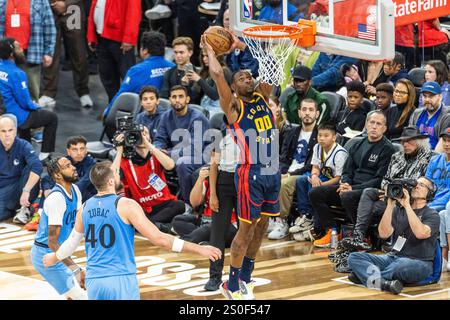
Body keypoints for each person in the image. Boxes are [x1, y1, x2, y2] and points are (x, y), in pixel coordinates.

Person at [42, 161, 222, 300]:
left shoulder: (85, 207)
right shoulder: (126, 205)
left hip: (94, 280)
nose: (120, 176)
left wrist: (54, 257)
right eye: (117, 174)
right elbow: (160, 239)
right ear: (111, 181)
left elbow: (72, 243)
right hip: (120, 279)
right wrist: (200, 249)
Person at [205, 33, 281, 300]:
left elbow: (273, 68)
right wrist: (210, 50)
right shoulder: (233, 106)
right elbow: (217, 75)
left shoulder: (262, 96)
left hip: (272, 171)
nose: (248, 79)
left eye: (250, 76)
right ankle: (232, 284)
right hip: (251, 173)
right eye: (242, 78)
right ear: (234, 86)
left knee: (262, 227)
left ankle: (246, 277)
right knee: (246, 228)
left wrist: (263, 43)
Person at [338, 126, 434, 261]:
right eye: (403, 141)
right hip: (390, 195)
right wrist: (389, 190)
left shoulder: (429, 158)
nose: (405, 144)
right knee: (367, 192)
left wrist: (395, 189)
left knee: (371, 208)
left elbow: (420, 184)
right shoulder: (396, 156)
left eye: (409, 141)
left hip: (408, 199)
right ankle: (358, 235)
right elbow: (385, 179)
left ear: (419, 141)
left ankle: (368, 236)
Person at [309, 110, 396, 247]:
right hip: (349, 188)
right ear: (366, 125)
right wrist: (345, 183)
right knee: (316, 193)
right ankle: (332, 231)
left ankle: (361, 234)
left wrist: (351, 188)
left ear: (384, 128)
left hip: (368, 191)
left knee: (347, 196)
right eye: (371, 122)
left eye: (378, 124)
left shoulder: (388, 149)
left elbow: (380, 179)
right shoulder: (357, 144)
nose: (374, 126)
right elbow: (347, 170)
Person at [347, 176, 439, 295]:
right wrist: (390, 205)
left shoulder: (432, 214)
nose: (416, 185)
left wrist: (407, 206)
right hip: (393, 257)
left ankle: (366, 277)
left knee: (401, 266)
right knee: (354, 257)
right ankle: (383, 283)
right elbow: (383, 234)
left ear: (429, 193)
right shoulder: (397, 209)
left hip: (419, 262)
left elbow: (421, 233)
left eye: (422, 185)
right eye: (416, 183)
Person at [31, 157, 87, 300]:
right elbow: (52, 242)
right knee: (79, 296)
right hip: (46, 254)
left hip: (61, 251)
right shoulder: (57, 199)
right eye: (67, 166)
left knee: (72, 294)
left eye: (71, 164)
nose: (73, 167)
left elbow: (79, 222)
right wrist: (75, 268)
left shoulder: (75, 189)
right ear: (57, 175)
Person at [112, 126, 185, 233]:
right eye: (138, 134)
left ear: (150, 137)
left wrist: (148, 145)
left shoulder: (156, 154)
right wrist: (119, 151)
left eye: (145, 133)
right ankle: (158, 226)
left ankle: (146, 225)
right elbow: (112, 180)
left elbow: (170, 166)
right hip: (142, 208)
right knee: (132, 213)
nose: (142, 136)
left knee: (180, 205)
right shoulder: (126, 161)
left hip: (164, 204)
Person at [0, 38, 58, 161]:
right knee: (51, 117)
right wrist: (36, 105)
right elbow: (25, 103)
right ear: (12, 54)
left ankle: (25, 153)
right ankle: (45, 153)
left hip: (3, 112)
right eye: (19, 48)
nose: (22, 50)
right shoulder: (17, 73)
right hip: (16, 116)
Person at [290, 122, 348, 241]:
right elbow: (315, 166)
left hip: (333, 182)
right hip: (321, 177)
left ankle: (317, 225)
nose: (321, 138)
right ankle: (306, 215)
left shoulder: (340, 153)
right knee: (301, 180)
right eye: (320, 135)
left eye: (326, 136)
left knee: (315, 189)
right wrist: (315, 176)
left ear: (334, 137)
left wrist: (321, 184)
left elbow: (338, 178)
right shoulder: (317, 147)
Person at [153, 85, 210, 204]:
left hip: (202, 155)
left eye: (180, 96)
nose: (177, 100)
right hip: (177, 153)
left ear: (187, 99)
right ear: (169, 99)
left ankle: (188, 203)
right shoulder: (166, 116)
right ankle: (157, 198)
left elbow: (196, 149)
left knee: (182, 163)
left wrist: (168, 153)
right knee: (151, 156)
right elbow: (159, 138)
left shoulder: (197, 118)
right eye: (174, 97)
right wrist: (158, 150)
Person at [272, 99, 319, 240]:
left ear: (317, 114)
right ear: (299, 113)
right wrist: (280, 172)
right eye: (304, 109)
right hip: (288, 171)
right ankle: (269, 218)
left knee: (284, 184)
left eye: (311, 110)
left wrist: (289, 174)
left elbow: (312, 164)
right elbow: (283, 157)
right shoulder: (292, 132)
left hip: (305, 174)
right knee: (266, 176)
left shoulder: (320, 134)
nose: (307, 113)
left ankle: (282, 222)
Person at [102, 31, 175, 118]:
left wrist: (107, 112)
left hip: (145, 119)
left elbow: (121, 96)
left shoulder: (136, 71)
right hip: (170, 118)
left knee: (122, 115)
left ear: (144, 51)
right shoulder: (173, 67)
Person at [39, 0, 93, 110]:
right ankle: (48, 92)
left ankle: (83, 91)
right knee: (51, 51)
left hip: (73, 7)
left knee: (78, 52)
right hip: (50, 7)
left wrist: (66, 4)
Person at [204, 128, 241, 291]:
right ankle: (214, 276)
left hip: (243, 182)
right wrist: (212, 193)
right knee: (217, 232)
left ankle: (243, 274)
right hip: (223, 182)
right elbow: (214, 165)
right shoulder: (221, 135)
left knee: (245, 232)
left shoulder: (251, 133)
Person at [0, 0, 56, 102]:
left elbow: (49, 26)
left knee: (31, 95)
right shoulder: (3, 2)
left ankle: (31, 116)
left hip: (31, 53)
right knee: (5, 94)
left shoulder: (40, 2)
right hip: (6, 55)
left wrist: (48, 52)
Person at [87, 0, 141, 102]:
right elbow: (94, 9)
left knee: (127, 76)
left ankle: (131, 108)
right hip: (101, 37)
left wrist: (129, 38)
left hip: (120, 40)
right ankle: (113, 106)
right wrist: (91, 36)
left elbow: (134, 13)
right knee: (107, 75)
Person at [171, 166, 238, 245]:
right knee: (178, 220)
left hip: (226, 226)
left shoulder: (231, 185)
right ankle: (203, 240)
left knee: (207, 229)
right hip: (204, 222)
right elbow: (194, 202)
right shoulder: (207, 183)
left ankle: (183, 242)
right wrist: (200, 179)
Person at [0, 114, 42, 222]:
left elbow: (37, 167)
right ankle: (14, 210)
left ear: (15, 131)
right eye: (3, 131)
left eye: (10, 130)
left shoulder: (23, 145)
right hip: (4, 189)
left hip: (20, 187)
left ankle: (24, 208)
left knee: (32, 167)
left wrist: (26, 190)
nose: (7, 134)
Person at [187, 50, 232, 117]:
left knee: (200, 121)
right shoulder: (204, 71)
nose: (204, 59)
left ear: (217, 56)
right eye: (203, 56)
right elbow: (193, 95)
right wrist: (186, 84)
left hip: (217, 111)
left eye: (207, 56)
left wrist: (199, 80)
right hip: (204, 108)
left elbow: (215, 96)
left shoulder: (224, 71)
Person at [409, 81, 450, 149]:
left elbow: (443, 146)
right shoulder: (416, 113)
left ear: (440, 96)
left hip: (434, 156)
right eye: (424, 96)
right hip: (415, 154)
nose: (427, 99)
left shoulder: (447, 116)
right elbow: (409, 137)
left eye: (431, 96)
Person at [160, 37, 200, 104]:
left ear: (190, 53)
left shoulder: (197, 73)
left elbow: (195, 98)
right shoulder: (169, 73)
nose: (178, 55)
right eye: (176, 52)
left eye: (181, 52)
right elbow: (164, 96)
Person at [425, 127, 450, 211]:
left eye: (449, 141)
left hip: (445, 204)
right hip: (430, 201)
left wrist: (430, 206)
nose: (447, 144)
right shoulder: (434, 159)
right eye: (444, 140)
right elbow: (427, 183)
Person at [435, 128, 450, 270]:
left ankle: (447, 253)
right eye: (444, 140)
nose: (447, 144)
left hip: (444, 201)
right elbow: (428, 181)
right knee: (441, 214)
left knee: (448, 207)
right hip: (435, 200)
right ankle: (444, 254)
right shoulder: (436, 159)